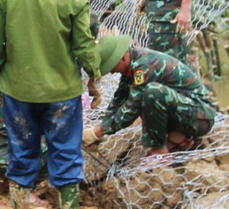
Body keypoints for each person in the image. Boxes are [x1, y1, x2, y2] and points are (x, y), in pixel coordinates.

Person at [0, 0, 101, 209]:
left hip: (18, 91)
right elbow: (84, 45)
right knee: (66, 154)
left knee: (22, 153)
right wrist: (94, 78)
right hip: (62, 93)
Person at [82, 34, 218, 161]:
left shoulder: (144, 66)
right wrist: (102, 126)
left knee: (151, 93)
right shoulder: (133, 64)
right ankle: (179, 138)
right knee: (147, 95)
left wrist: (98, 132)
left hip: (200, 117)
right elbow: (119, 98)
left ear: (123, 58)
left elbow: (132, 107)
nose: (112, 71)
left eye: (112, 67)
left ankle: (160, 151)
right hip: (187, 112)